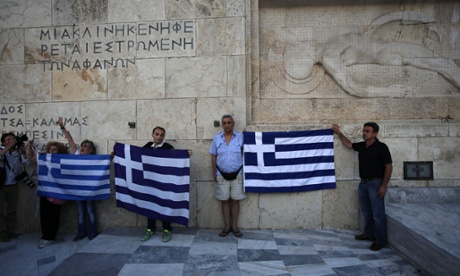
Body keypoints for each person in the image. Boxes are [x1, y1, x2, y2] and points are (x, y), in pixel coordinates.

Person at [332, 122, 393, 251]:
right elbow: (349, 144)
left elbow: (389, 166)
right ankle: (369, 234)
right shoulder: (362, 146)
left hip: (375, 183)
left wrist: (384, 186)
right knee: (366, 211)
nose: (365, 133)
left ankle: (380, 240)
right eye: (364, 131)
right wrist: (339, 132)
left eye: (368, 131)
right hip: (363, 183)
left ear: (375, 133)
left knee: (377, 214)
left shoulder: (381, 147)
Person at [57, 117, 99, 242]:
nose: (82, 148)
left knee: (90, 211)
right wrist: (62, 127)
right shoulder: (76, 155)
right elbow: (70, 140)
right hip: (77, 189)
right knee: (80, 213)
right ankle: (81, 233)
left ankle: (93, 232)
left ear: (90, 150)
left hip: (89, 190)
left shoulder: (94, 159)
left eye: (86, 146)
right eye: (82, 146)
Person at [209, 114, 245, 238]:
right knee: (224, 201)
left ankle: (234, 226)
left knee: (235, 201)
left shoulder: (241, 137)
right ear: (222, 124)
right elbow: (213, 156)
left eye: (229, 122)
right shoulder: (217, 138)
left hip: (238, 174)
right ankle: (227, 226)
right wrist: (214, 172)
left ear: (233, 124)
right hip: (221, 175)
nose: (226, 125)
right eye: (224, 123)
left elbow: (249, 151)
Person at [30, 139, 68, 249]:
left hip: (56, 191)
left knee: (53, 214)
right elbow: (31, 158)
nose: (52, 151)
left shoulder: (62, 160)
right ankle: (45, 235)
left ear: (59, 151)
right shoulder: (45, 158)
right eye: (50, 149)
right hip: (45, 190)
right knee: (44, 214)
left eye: (54, 149)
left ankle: (50, 236)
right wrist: (30, 147)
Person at [140, 126, 174, 242]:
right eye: (157, 134)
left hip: (163, 184)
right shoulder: (147, 147)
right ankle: (150, 229)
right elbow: (136, 156)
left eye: (161, 135)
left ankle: (167, 229)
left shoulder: (168, 148)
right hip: (150, 183)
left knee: (164, 205)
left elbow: (175, 159)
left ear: (164, 136)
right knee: (150, 206)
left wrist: (186, 154)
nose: (159, 137)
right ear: (153, 135)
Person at [0, 133, 32, 242]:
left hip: (13, 184)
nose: (12, 141)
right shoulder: (1, 150)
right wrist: (9, 146)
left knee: (12, 210)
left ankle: (10, 230)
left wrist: (27, 148)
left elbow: (27, 161)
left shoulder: (17, 152)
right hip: (1, 185)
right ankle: (2, 233)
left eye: (13, 139)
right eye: (8, 139)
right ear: (3, 142)